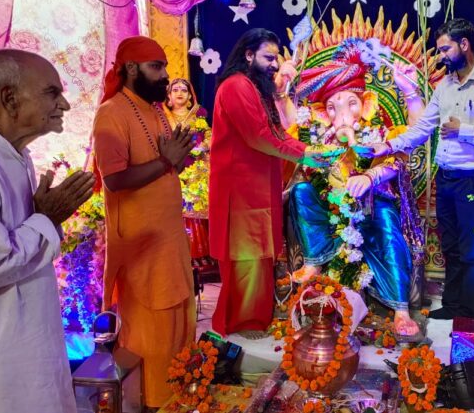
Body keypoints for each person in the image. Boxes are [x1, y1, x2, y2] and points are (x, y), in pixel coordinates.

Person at [0, 49, 94, 412]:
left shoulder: (17, 155)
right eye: (52, 93)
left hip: (31, 339)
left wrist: (44, 218)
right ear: (10, 98)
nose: (65, 104)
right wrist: (47, 218)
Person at [369, 18, 474, 319]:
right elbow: (423, 127)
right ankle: (451, 305)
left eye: (446, 49)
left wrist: (465, 131)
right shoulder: (445, 85)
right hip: (445, 177)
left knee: (471, 250)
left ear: (464, 44)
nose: (441, 56)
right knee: (450, 246)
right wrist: (389, 145)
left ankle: (467, 313)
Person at [286, 45, 426, 337]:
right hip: (331, 211)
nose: (342, 114)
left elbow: (409, 145)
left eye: (351, 103)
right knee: (301, 191)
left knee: (387, 223)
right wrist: (282, 93)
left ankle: (400, 309)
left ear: (366, 105)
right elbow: (286, 137)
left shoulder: (378, 133)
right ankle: (314, 261)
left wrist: (372, 176)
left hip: (372, 208)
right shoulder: (318, 137)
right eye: (333, 107)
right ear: (324, 113)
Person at [209, 28, 336, 339]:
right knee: (246, 257)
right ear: (248, 55)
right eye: (268, 57)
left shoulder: (256, 87)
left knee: (261, 254)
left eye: (276, 58)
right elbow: (259, 137)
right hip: (240, 189)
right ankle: (243, 321)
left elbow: (277, 132)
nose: (275, 64)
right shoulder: (236, 86)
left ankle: (257, 315)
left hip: (259, 185)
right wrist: (305, 154)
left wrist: (309, 151)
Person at [93, 36, 196, 410]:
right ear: (132, 68)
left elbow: (164, 167)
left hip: (168, 239)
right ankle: (154, 402)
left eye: (165, 67)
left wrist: (177, 159)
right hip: (142, 247)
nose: (165, 76)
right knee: (152, 330)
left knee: (179, 319)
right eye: (157, 67)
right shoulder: (111, 114)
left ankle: (178, 395)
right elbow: (114, 180)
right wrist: (167, 161)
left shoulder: (155, 111)